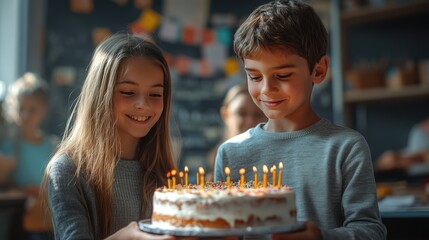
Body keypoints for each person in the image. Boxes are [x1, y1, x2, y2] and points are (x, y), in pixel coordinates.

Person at [214, 1, 387, 239]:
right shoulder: (231, 153)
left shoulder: (345, 147)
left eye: (283, 75)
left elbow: (371, 231)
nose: (267, 89)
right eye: (254, 76)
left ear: (318, 71)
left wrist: (321, 237)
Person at [42, 34, 176, 239]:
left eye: (155, 94)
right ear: (100, 95)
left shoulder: (162, 170)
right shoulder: (68, 170)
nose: (144, 104)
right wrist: (129, 237)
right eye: (128, 92)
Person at [0, 72, 58, 240]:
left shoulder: (53, 145)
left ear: (44, 110)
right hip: (23, 223)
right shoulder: (9, 146)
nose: (25, 115)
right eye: (21, 109)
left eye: (32, 110)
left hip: (50, 221)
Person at [207, 83, 266, 181]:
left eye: (258, 114)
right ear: (225, 114)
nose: (250, 121)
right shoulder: (217, 161)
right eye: (241, 113)